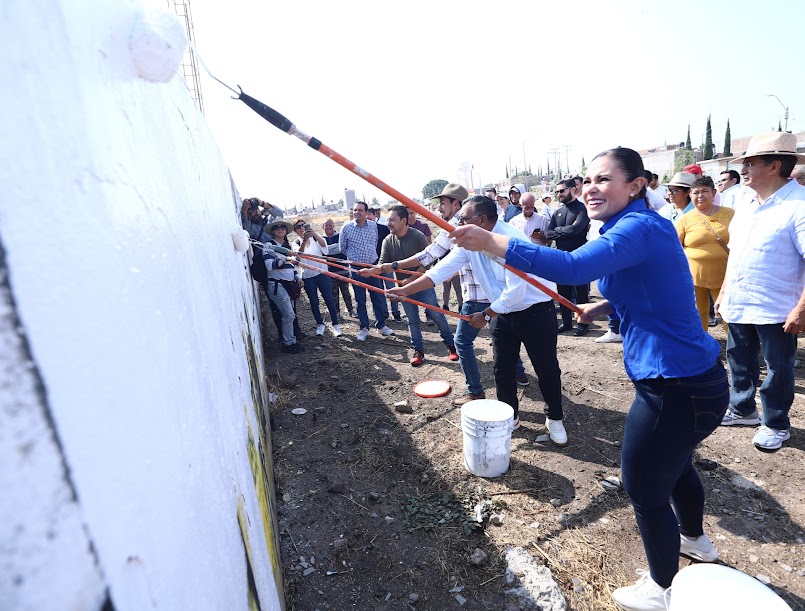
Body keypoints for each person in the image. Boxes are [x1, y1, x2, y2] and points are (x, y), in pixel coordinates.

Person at [450, 147, 728, 610]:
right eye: (587, 179)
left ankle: (661, 589)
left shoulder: (638, 227)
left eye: (604, 179)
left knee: (643, 487)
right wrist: (608, 306)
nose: (591, 188)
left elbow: (573, 268)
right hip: (691, 379)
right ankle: (695, 541)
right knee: (676, 466)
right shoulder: (634, 226)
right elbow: (654, 288)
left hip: (676, 385)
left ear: (636, 185)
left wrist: (493, 242)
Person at [389, 196, 567, 442]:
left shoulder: (511, 240)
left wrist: (485, 314)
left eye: (463, 218)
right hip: (501, 312)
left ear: (481, 220)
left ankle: (555, 418)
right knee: (502, 368)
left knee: (545, 367)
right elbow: (440, 270)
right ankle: (510, 416)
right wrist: (405, 291)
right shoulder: (468, 243)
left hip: (534, 310)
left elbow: (516, 291)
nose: (457, 223)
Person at [380, 184, 531, 404]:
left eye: (443, 202)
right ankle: (518, 373)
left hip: (481, 296)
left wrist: (392, 270)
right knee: (504, 338)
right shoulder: (467, 230)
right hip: (496, 296)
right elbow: (438, 267)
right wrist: (400, 282)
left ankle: (476, 390)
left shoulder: (456, 229)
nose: (440, 207)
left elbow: (429, 256)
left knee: (463, 342)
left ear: (456, 204)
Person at [716, 131, 805, 452]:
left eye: (751, 163)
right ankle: (743, 409)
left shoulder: (799, 205)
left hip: (777, 307)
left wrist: (801, 308)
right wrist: (725, 290)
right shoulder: (746, 202)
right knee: (739, 359)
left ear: (774, 166)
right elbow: (737, 252)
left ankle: (776, 423)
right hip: (740, 301)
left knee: (778, 369)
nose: (745, 170)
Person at [360, 206, 458, 366]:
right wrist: (371, 271)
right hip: (402, 287)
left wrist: (412, 279)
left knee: (436, 314)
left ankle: (451, 346)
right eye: (388, 219)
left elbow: (428, 261)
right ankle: (418, 351)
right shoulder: (388, 240)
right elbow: (383, 264)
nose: (388, 223)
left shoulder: (417, 236)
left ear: (403, 221)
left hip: (422, 284)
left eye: (392, 220)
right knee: (412, 320)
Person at [676, 177, 735, 330]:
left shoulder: (730, 214)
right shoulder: (684, 219)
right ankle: (702, 347)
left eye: (705, 191)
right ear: (690, 195)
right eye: (695, 192)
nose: (700, 195)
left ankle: (735, 350)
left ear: (714, 193)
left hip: (724, 276)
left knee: (727, 313)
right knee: (698, 313)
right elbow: (674, 247)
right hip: (694, 277)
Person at [339, 201, 395, 341]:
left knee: (377, 297)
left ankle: (381, 325)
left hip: (372, 267)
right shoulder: (346, 228)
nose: (357, 212)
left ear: (366, 212)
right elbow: (342, 248)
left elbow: (375, 242)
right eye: (355, 210)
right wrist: (354, 258)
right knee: (360, 299)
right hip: (356, 269)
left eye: (360, 210)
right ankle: (364, 328)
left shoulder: (373, 226)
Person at [546, 178, 590, 335]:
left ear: (573, 190)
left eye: (562, 190)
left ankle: (583, 323)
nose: (559, 194)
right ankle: (566, 322)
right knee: (562, 292)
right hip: (561, 257)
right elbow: (548, 233)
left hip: (579, 257)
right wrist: (564, 231)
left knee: (581, 293)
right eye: (557, 192)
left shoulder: (581, 209)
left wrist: (559, 232)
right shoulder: (558, 212)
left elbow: (575, 230)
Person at [291, 218, 342, 337]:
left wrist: (314, 234)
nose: (302, 228)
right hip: (308, 276)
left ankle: (335, 325)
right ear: (295, 230)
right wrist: (304, 241)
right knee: (314, 301)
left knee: (329, 298)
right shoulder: (296, 243)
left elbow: (325, 248)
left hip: (322, 272)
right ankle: (320, 324)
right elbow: (299, 256)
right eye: (298, 227)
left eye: (303, 225)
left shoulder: (315, 237)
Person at [263, 218, 304, 354]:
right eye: (276, 227)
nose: (280, 229)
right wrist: (284, 258)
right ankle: (287, 343)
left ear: (286, 230)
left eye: (282, 227)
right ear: (272, 231)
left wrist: (297, 277)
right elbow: (270, 266)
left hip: (289, 284)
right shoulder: (268, 246)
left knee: (290, 314)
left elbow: (292, 267)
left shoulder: (287, 247)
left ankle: (291, 340)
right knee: (288, 314)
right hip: (277, 284)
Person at [368, 208, 403, 322]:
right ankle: (383, 314)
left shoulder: (384, 229)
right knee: (379, 291)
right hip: (373, 266)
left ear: (375, 216)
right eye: (366, 215)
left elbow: (393, 242)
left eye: (370, 215)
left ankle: (396, 313)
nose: (368, 217)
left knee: (391, 288)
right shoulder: (363, 231)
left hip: (387, 265)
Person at [322, 218, 356, 318]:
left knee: (346, 293)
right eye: (326, 225)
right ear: (323, 227)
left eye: (330, 225)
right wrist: (334, 248)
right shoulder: (321, 239)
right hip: (330, 272)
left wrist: (329, 250)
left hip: (343, 269)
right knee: (334, 294)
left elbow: (342, 248)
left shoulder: (340, 235)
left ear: (333, 226)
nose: (328, 227)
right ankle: (336, 313)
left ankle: (351, 310)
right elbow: (324, 252)